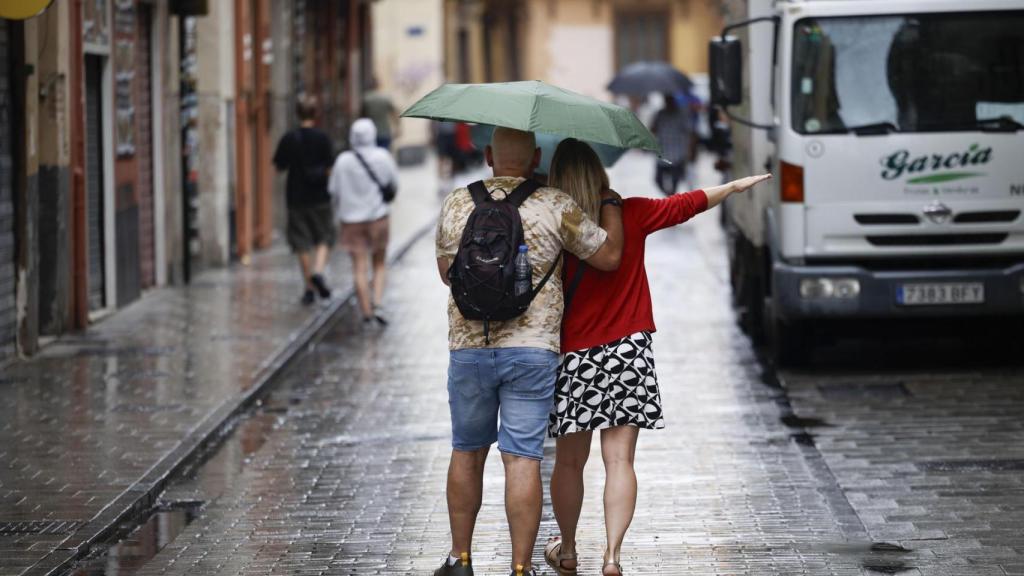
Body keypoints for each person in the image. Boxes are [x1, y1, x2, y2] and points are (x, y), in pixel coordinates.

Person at [543, 139, 770, 576]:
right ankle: (611, 556)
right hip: (628, 351)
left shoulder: (553, 222)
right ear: (598, 173)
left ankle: (568, 550)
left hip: (573, 357)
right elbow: (687, 204)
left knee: (570, 461)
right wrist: (734, 186)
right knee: (620, 461)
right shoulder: (632, 211)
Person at [433, 127, 624, 576]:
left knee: (467, 450)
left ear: (487, 156)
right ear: (536, 156)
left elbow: (446, 273)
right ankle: (521, 567)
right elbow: (608, 256)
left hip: (469, 345)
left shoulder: (458, 201)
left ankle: (460, 558)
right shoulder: (555, 204)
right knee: (522, 457)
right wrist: (611, 203)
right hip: (533, 348)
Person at [328, 118, 399, 326]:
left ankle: (366, 312)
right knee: (378, 263)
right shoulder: (383, 157)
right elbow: (394, 184)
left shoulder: (342, 161)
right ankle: (377, 303)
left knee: (359, 267)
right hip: (378, 218)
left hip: (351, 221)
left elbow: (333, 190)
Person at [273, 95, 336, 305]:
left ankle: (309, 286)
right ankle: (318, 271)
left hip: (296, 196)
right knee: (324, 238)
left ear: (297, 113)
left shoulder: (289, 138)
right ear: (316, 113)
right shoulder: (323, 138)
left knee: (301, 243)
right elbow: (329, 168)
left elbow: (278, 167)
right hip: (319, 196)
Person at [651, 92, 693, 196]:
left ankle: (671, 199)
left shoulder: (682, 114)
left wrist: (690, 150)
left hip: (677, 154)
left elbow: (690, 132)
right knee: (658, 180)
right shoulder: (660, 113)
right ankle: (669, 197)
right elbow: (653, 129)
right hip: (662, 153)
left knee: (675, 181)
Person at [361, 77, 400, 150]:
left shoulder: (366, 98)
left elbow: (362, 116)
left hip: (370, 132)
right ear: (378, 85)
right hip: (385, 131)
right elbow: (395, 113)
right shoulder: (385, 98)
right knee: (384, 153)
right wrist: (397, 127)